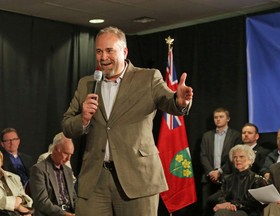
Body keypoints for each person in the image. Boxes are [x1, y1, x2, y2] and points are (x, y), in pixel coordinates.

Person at [62, 26, 193, 216]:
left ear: (124, 52)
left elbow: (170, 103)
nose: (103, 57)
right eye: (99, 51)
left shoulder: (148, 78)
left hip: (137, 178)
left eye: (109, 50)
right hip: (95, 178)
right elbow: (67, 126)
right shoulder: (87, 84)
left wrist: (180, 102)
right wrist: (83, 119)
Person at [200, 107, 242, 216]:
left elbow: (234, 157)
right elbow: (203, 156)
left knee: (223, 208)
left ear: (228, 119)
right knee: (206, 208)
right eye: (216, 117)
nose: (218, 119)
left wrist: (219, 171)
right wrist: (211, 172)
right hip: (209, 178)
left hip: (227, 177)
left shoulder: (235, 135)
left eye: (221, 117)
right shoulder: (207, 136)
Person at [29, 132, 76, 216]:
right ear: (55, 149)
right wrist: (64, 214)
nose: (68, 159)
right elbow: (42, 202)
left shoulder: (68, 170)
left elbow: (74, 198)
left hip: (70, 212)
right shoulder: (38, 170)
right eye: (66, 153)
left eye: (71, 155)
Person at [213, 144, 267, 216]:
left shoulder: (257, 180)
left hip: (248, 213)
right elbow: (222, 196)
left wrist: (233, 205)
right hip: (229, 210)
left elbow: (254, 204)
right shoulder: (227, 179)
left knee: (221, 213)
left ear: (250, 160)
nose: (237, 159)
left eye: (241, 156)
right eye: (235, 157)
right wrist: (226, 205)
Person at [0, 150, 34, 216]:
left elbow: (26, 198)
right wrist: (18, 206)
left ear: (1, 161)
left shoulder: (14, 177)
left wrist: (20, 199)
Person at [263, 133, 280, 216]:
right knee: (271, 206)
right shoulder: (275, 168)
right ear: (279, 149)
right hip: (279, 207)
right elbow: (271, 192)